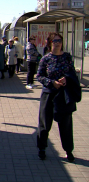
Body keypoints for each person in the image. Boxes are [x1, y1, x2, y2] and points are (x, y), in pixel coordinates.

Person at [36, 32, 81, 162]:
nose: (57, 43)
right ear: (50, 43)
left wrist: (67, 78)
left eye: (59, 41)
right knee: (45, 123)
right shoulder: (46, 58)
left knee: (66, 124)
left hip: (64, 95)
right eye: (55, 41)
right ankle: (42, 148)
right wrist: (51, 82)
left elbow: (72, 72)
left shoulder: (67, 57)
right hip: (49, 94)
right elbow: (39, 76)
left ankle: (68, 150)